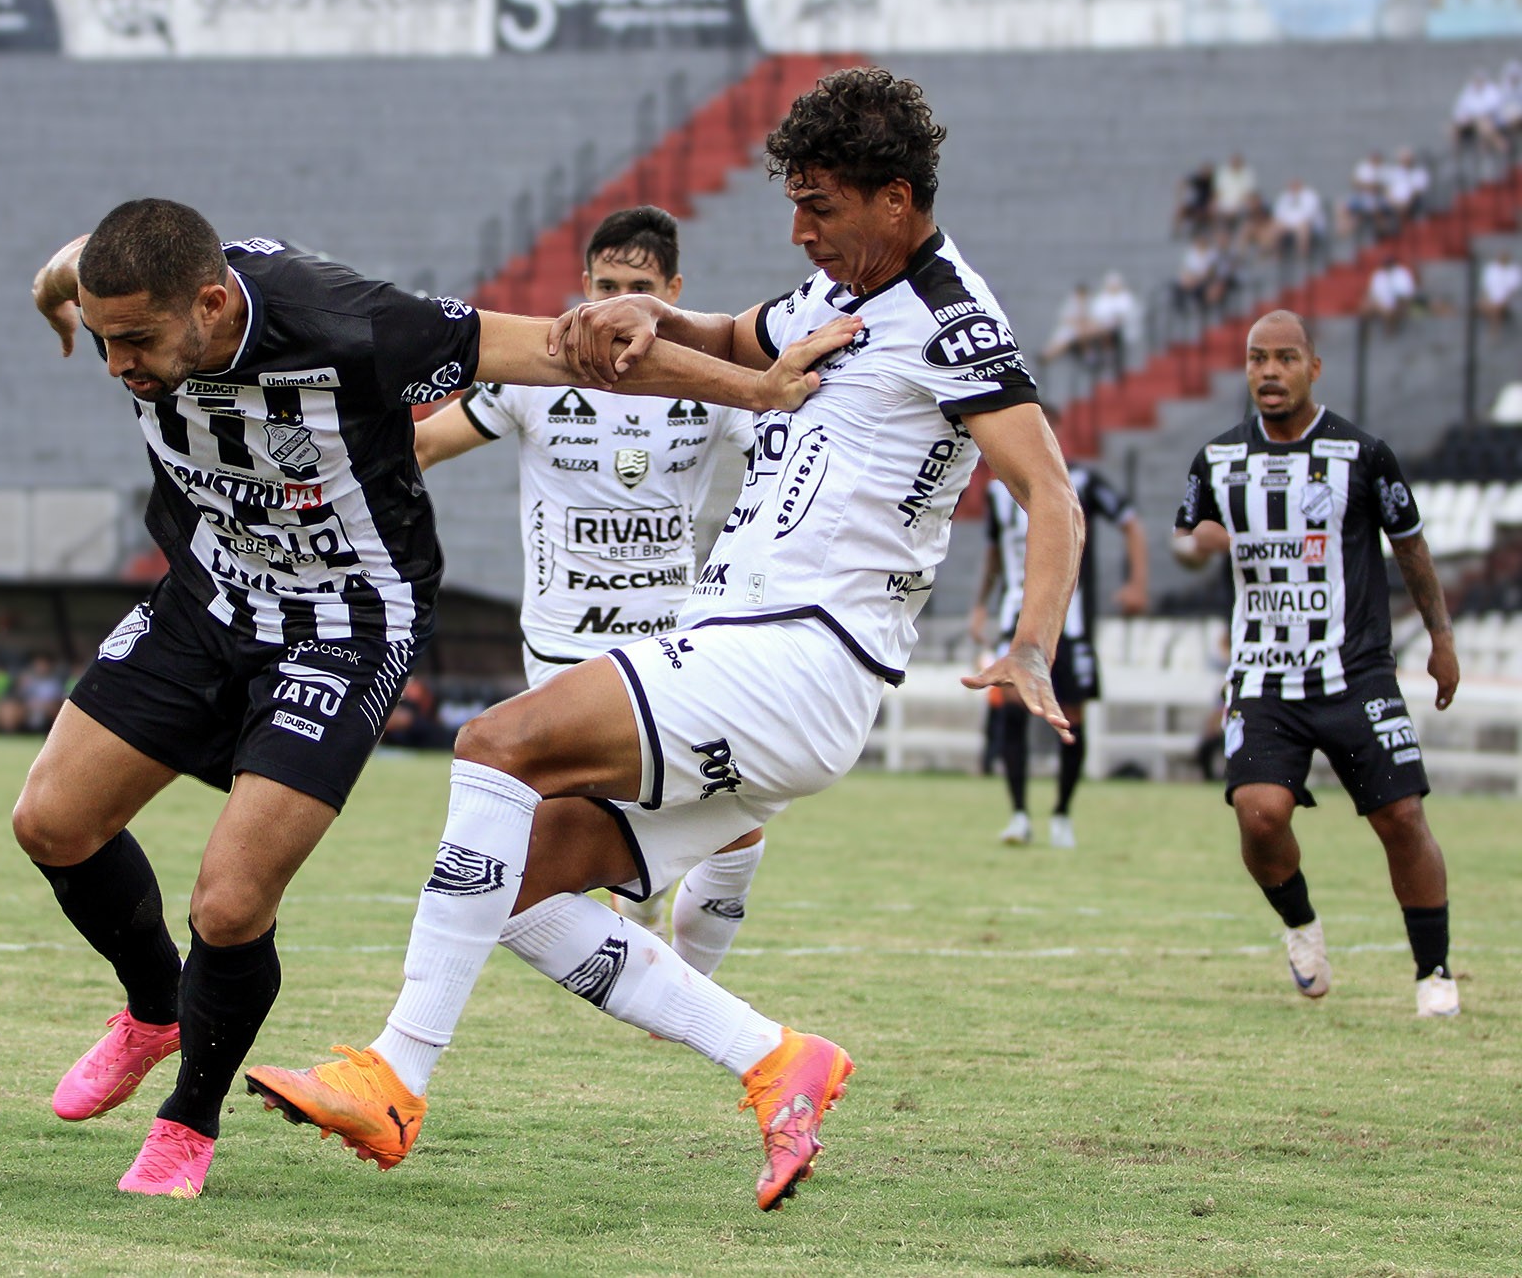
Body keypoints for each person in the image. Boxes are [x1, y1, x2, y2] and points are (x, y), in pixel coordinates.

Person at [245, 67, 1083, 1211]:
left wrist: (1030, 642)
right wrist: (656, 317)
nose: (800, 231)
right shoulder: (835, 297)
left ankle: (394, 1075)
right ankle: (776, 1059)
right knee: (524, 889)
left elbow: (1050, 490)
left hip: (795, 650)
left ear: (896, 200)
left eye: (821, 206)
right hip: (759, 658)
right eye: (792, 205)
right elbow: (734, 332)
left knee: (496, 744)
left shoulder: (949, 320)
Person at [17, 199, 854, 1200]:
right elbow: (74, 267)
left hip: (344, 620)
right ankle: (155, 1008)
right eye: (103, 340)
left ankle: (187, 1124)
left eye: (136, 342)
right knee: (50, 822)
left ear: (207, 303)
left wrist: (754, 391)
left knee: (230, 900)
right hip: (206, 599)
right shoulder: (122, 284)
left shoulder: (354, 324)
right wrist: (50, 289)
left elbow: (564, 352)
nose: (119, 367)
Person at [414, 205, 766, 974]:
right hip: (564, 644)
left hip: (672, 642)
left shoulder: (707, 386)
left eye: (635, 286)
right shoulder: (536, 372)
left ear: (670, 290)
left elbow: (783, 448)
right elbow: (426, 443)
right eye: (603, 284)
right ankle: (645, 936)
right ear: (583, 284)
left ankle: (686, 985)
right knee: (574, 837)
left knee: (736, 825)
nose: (613, 303)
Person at [1171, 309, 1460, 1018]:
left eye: (1285, 358)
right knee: (1258, 813)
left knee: (1399, 816)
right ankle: (1301, 927)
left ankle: (1435, 972)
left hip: (1353, 670)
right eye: (1256, 359)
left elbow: (1411, 547)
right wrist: (1201, 543)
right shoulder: (1217, 460)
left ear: (1313, 368)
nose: (1269, 372)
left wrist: (1441, 639)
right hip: (1264, 675)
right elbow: (1184, 536)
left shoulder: (1363, 454)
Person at [971, 453, 1148, 848]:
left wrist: (1137, 582)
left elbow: (1130, 523)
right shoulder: (998, 492)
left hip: (1072, 623)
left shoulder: (1081, 479)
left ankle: (1062, 814)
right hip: (1014, 620)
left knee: (1071, 720)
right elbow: (995, 551)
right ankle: (1018, 814)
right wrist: (981, 603)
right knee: (1013, 713)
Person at [1360, 252, 1421, 333]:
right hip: (1381, 305)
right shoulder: (1378, 274)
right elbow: (1373, 293)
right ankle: (1364, 336)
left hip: (1398, 304)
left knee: (1399, 305)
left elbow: (1406, 294)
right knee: (1366, 306)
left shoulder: (1402, 273)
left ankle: (1392, 325)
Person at [1477, 249, 1522, 327]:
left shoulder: (1515, 270)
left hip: (1506, 300)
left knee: (1496, 308)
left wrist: (1503, 300)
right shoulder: (1491, 268)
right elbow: (1486, 286)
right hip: (1490, 298)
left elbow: (1513, 289)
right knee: (1484, 305)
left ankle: (1494, 327)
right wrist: (1486, 298)